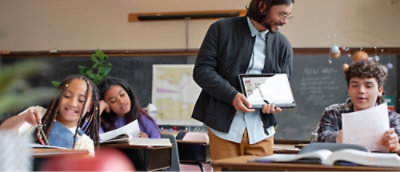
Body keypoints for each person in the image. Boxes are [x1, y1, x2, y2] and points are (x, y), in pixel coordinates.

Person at [192, 0, 295, 160]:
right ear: (262, 6)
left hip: (261, 131)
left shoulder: (283, 45)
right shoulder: (221, 30)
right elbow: (202, 71)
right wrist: (232, 96)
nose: (285, 21)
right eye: (282, 14)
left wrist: (273, 103)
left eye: (288, 16)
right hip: (224, 129)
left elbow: (282, 85)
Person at [0, 74, 100, 156]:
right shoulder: (37, 113)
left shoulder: (84, 143)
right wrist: (23, 118)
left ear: (90, 107)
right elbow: (4, 133)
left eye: (81, 100)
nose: (72, 103)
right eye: (67, 96)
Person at [317, 60, 400, 153]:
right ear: (348, 89)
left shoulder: (393, 118)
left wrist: (396, 146)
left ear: (380, 90)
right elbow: (320, 140)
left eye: (368, 86)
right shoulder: (333, 114)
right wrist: (336, 138)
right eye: (355, 85)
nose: (361, 91)